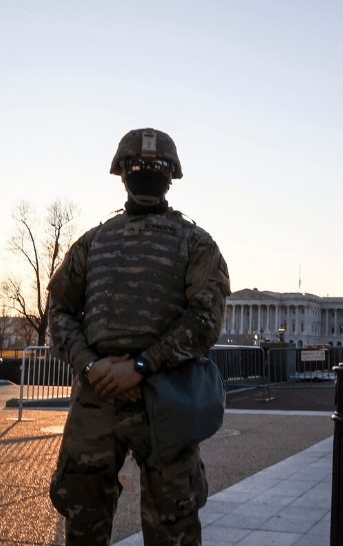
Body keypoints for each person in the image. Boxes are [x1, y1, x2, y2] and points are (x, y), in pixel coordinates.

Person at [47, 128, 230, 545]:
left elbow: (205, 321)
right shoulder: (93, 242)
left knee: (173, 527)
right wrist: (92, 365)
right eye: (139, 165)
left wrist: (140, 367)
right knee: (82, 524)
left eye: (157, 166)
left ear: (171, 175)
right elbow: (60, 311)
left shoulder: (196, 243)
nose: (147, 172)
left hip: (165, 398)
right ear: (123, 172)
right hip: (100, 393)